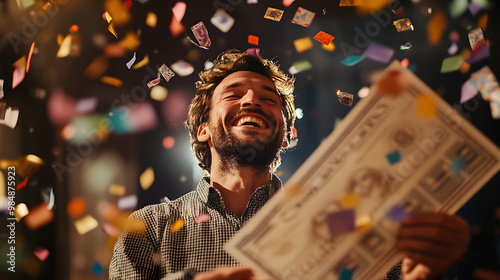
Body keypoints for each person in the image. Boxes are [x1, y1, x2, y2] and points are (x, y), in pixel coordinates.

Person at [109, 49, 470, 280]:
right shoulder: (148, 227)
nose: (252, 100)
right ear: (202, 129)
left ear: (285, 135)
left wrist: (425, 273)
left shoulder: (344, 217)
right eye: (234, 94)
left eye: (269, 99)